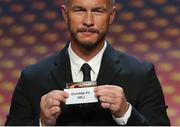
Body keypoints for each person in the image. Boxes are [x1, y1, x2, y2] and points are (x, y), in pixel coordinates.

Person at [5, 0, 170, 125]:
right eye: (79, 10)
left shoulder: (141, 74)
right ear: (65, 14)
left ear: (111, 16)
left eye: (98, 11)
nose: (88, 21)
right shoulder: (32, 77)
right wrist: (41, 123)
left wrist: (125, 113)